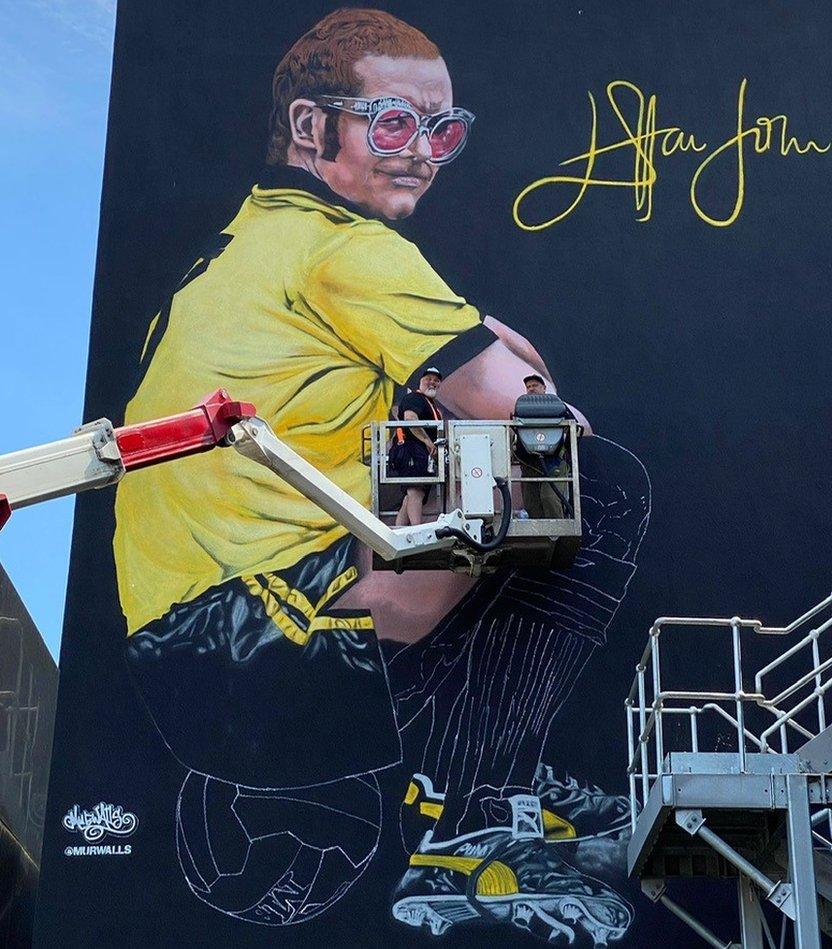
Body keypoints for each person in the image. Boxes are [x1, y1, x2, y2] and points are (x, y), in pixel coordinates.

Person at [113, 7, 637, 941]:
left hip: (187, 663)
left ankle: (488, 772)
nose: (425, 152)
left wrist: (462, 391)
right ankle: (483, 797)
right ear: (313, 128)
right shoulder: (347, 250)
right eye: (394, 122)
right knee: (587, 484)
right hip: (247, 652)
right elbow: (536, 412)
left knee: (421, 446)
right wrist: (521, 390)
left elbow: (472, 381)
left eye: (444, 129)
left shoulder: (243, 244)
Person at [516, 373, 576, 519]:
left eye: (535, 385)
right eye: (528, 386)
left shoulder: (557, 406)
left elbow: (574, 429)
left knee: (549, 498)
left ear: (544, 388)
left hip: (553, 463)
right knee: (531, 503)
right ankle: (541, 535)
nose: (531, 389)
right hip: (530, 464)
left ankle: (558, 534)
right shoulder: (521, 409)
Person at [390, 367, 442, 526]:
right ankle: (416, 529)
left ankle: (399, 532)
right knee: (415, 490)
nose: (432, 382)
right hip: (411, 450)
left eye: (436, 380)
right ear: (420, 381)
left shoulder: (431, 405)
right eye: (428, 379)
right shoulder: (415, 398)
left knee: (410, 494)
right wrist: (427, 441)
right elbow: (410, 419)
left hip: (420, 453)